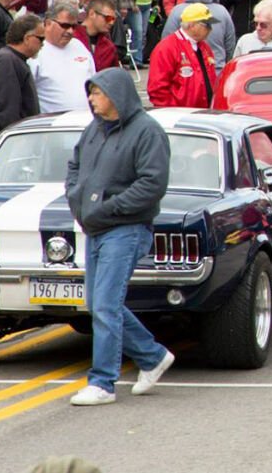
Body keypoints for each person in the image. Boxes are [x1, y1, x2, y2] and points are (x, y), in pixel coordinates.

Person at [64, 68, 175, 406]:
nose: (92, 99)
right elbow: (75, 165)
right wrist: (75, 196)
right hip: (96, 227)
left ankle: (103, 382)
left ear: (116, 95)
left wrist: (110, 207)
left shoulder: (147, 132)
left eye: (97, 93)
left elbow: (152, 184)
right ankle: (153, 356)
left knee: (107, 305)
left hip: (125, 228)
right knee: (98, 304)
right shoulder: (94, 129)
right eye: (91, 93)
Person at [146, 3, 221, 108]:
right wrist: (172, 111)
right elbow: (157, 89)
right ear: (191, 25)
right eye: (206, 25)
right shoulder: (167, 48)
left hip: (204, 112)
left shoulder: (205, 48)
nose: (210, 29)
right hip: (179, 115)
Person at [32, 3, 95, 113]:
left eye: (73, 26)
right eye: (65, 25)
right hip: (53, 125)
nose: (70, 31)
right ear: (48, 23)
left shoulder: (79, 45)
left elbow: (94, 80)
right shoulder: (36, 51)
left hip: (86, 122)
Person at [0, 13, 42, 140]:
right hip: (10, 139)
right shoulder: (7, 60)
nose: (43, 44)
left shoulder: (14, 59)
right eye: (41, 39)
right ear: (27, 38)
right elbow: (7, 108)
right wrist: (15, 141)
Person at [159, 0, 235, 63]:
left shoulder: (177, 11)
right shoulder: (222, 10)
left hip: (186, 69)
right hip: (216, 67)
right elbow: (230, 43)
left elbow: (167, 40)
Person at [75, 0, 120, 72]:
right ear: (92, 14)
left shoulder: (109, 47)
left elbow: (114, 78)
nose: (111, 23)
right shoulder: (72, 39)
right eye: (108, 18)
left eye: (113, 19)